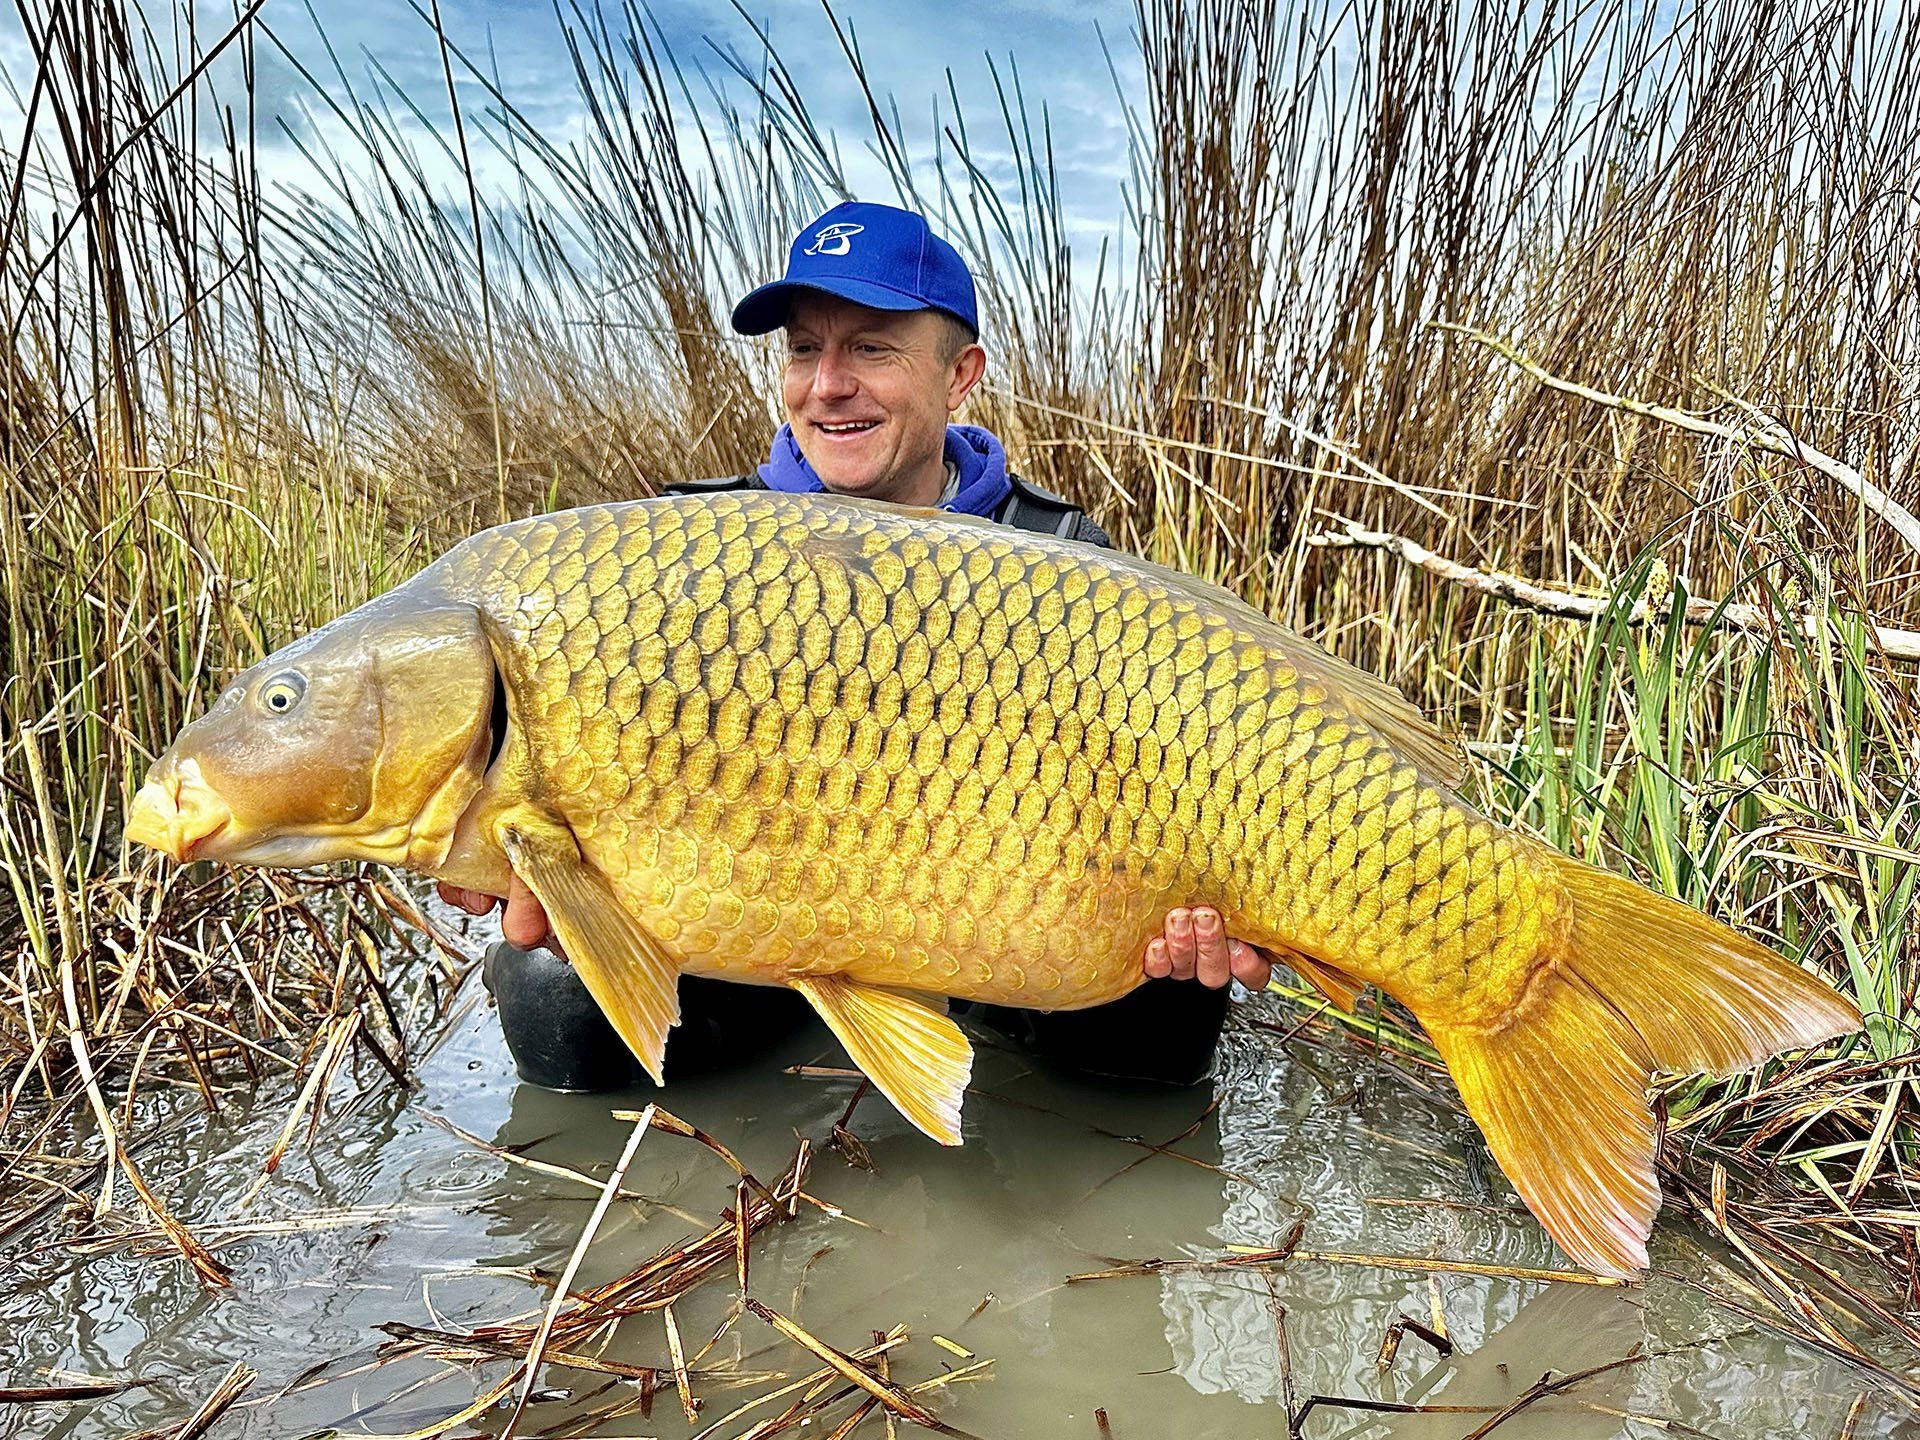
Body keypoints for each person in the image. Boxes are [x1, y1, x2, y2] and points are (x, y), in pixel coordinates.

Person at [443, 201, 1272, 1093]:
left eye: (871, 349)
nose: (826, 384)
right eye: (805, 349)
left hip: (1002, 930)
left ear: (960, 376)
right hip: (753, 930)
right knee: (552, 999)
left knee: (1163, 1033)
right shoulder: (689, 543)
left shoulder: (1065, 556)